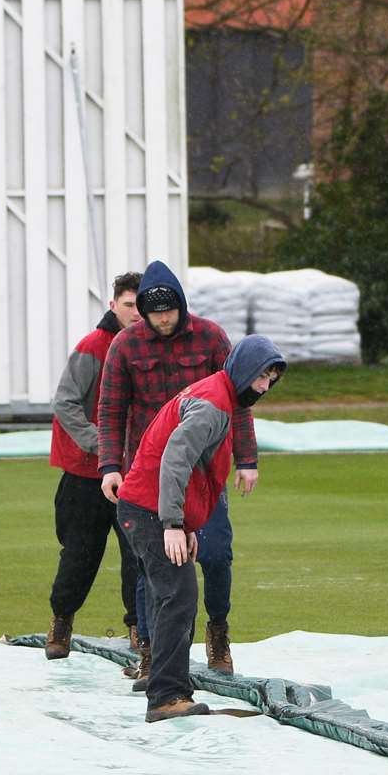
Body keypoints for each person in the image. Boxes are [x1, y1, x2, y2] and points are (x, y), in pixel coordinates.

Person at [97, 259, 258, 682]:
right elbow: (111, 410)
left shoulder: (210, 338)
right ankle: (150, 650)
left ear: (181, 307)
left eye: (170, 310)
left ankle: (218, 632)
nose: (163, 318)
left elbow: (240, 397)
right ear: (144, 313)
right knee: (151, 566)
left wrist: (247, 458)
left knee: (217, 553)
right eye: (155, 312)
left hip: (204, 473)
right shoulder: (125, 346)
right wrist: (110, 465)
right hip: (146, 474)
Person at [118, 337, 286, 722]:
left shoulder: (217, 396)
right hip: (148, 509)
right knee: (178, 596)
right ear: (242, 370)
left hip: (144, 506)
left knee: (171, 596)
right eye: (261, 376)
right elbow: (175, 458)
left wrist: (187, 524)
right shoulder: (212, 405)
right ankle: (166, 696)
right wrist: (172, 523)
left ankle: (163, 681)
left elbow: (188, 465)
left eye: (270, 380)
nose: (263, 387)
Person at [44, 271, 144, 659]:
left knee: (138, 555)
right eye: (128, 305)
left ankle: (139, 629)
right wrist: (102, 446)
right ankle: (61, 623)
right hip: (87, 474)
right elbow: (65, 403)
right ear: (112, 305)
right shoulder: (92, 347)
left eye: (141, 306)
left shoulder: (147, 349)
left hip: (134, 472)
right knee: (79, 554)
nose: (136, 313)